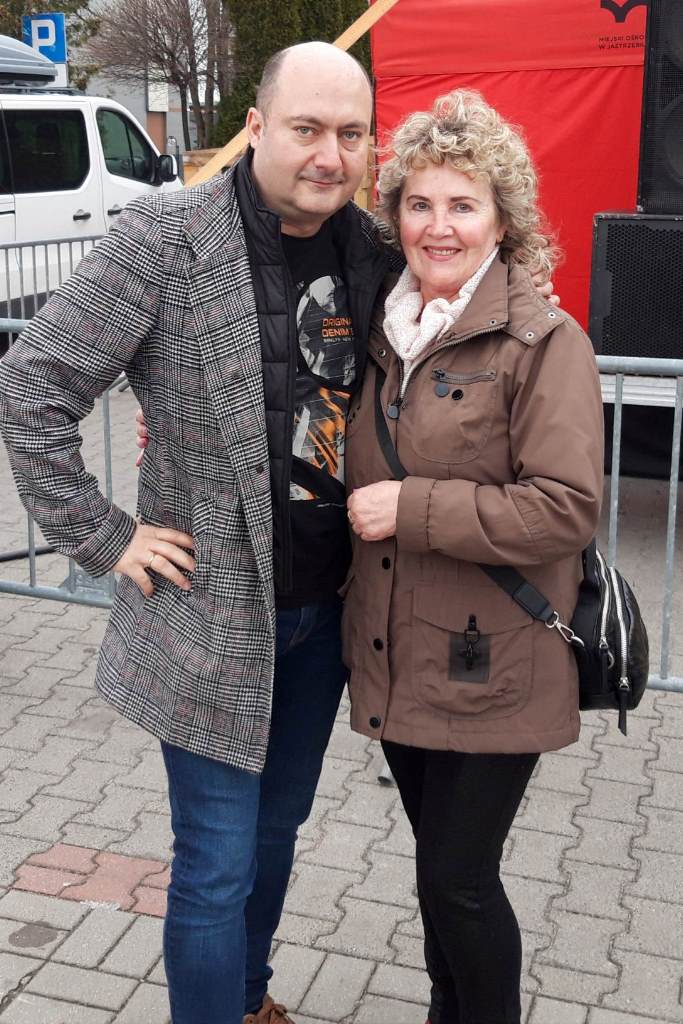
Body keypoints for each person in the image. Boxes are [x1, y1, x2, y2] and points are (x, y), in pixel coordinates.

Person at [0, 41, 555, 1024]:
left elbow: (470, 304)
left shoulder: (373, 251)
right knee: (214, 862)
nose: (329, 155)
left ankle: (248, 997)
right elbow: (32, 385)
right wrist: (104, 536)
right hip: (208, 614)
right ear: (256, 128)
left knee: (276, 831)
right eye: (305, 129)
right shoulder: (164, 239)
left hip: (327, 615)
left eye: (351, 134)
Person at [341, 90, 604, 1024]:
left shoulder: (543, 341)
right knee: (435, 872)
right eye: (418, 203)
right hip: (401, 653)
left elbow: (564, 506)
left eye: (462, 204)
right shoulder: (384, 331)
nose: (437, 226)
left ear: (502, 217)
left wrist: (411, 508)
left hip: (495, 662)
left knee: (458, 879)